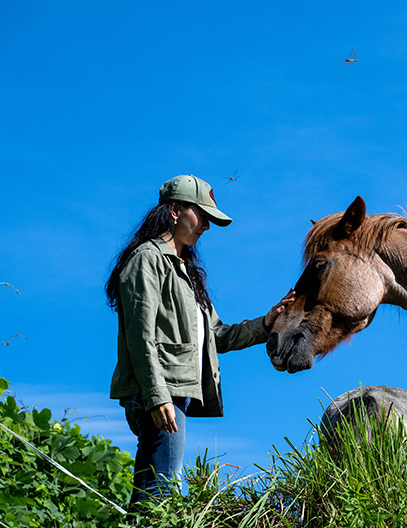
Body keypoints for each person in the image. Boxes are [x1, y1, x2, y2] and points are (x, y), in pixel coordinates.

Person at [106, 174, 293, 507]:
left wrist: (267, 322)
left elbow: (217, 336)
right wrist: (156, 394)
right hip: (160, 391)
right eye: (202, 215)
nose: (206, 225)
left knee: (159, 485)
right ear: (175, 210)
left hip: (173, 393)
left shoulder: (186, 272)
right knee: (159, 490)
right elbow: (140, 334)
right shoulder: (146, 259)